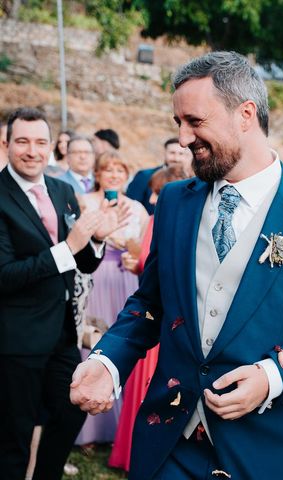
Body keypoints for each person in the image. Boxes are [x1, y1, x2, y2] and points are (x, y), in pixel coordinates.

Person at [69, 51, 283, 480]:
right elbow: (150, 303)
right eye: (178, 123)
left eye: (195, 121)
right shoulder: (175, 201)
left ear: (245, 114)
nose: (183, 137)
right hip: (168, 444)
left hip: (265, 451)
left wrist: (272, 379)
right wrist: (107, 362)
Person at [0, 107, 126, 480]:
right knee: (14, 437)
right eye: (22, 141)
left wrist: (97, 240)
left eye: (41, 142)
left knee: (71, 411)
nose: (32, 150)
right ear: (7, 144)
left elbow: (83, 263)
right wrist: (67, 248)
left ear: (51, 146)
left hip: (62, 335)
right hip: (15, 339)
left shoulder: (63, 190)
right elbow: (5, 275)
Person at [109, 165, 190, 472]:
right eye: (154, 192)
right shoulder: (159, 219)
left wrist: (136, 262)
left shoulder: (166, 220)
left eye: (159, 192)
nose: (154, 198)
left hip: (164, 321)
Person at [74, 150, 149, 446]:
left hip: (125, 278)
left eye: (120, 170)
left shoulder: (137, 208)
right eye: (108, 170)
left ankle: (120, 429)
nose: (114, 175)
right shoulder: (86, 202)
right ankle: (89, 428)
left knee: (125, 343)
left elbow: (144, 247)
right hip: (96, 275)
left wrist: (135, 257)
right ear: (98, 174)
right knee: (93, 342)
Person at [126, 137, 194, 214]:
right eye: (172, 153)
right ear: (164, 153)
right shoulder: (144, 176)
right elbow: (131, 206)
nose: (176, 158)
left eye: (181, 154)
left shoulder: (192, 181)